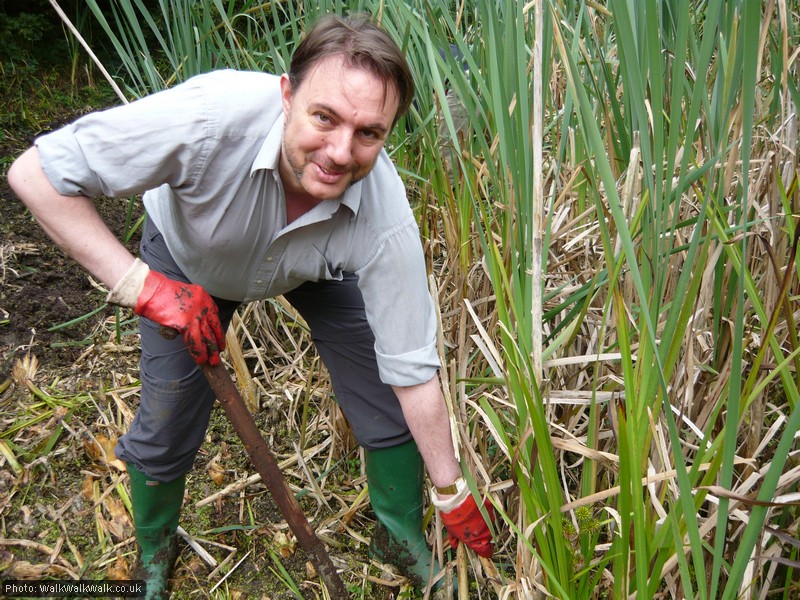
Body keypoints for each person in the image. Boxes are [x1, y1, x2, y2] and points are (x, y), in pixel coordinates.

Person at [7, 14, 494, 597]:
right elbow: (36, 174)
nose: (340, 152)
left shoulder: (382, 220)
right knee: (166, 427)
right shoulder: (209, 118)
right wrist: (144, 286)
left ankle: (398, 538)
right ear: (286, 95)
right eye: (324, 117)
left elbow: (413, 372)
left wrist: (450, 489)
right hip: (191, 264)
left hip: (312, 267)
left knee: (386, 400)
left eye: (369, 132)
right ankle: (153, 559)